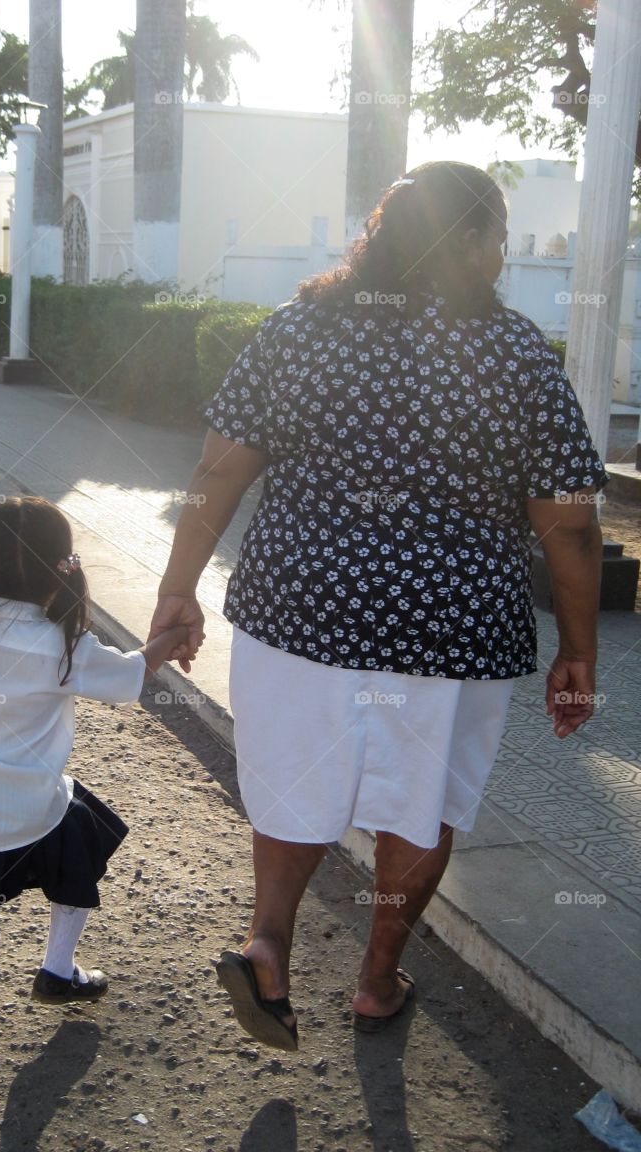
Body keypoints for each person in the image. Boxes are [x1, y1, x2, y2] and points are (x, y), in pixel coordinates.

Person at [149, 160, 606, 1052]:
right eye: (497, 240)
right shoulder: (514, 354)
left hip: (297, 614)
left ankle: (268, 946)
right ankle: (373, 980)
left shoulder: (299, 330)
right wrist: (577, 650)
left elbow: (216, 475)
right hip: (449, 633)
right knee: (418, 805)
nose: (503, 259)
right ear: (472, 243)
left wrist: (177, 591)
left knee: (292, 791)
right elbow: (571, 531)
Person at [0, 497, 190, 1052]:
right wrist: (168, 641)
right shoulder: (64, 644)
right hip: (36, 811)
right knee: (81, 851)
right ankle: (57, 969)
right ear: (62, 568)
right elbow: (127, 679)